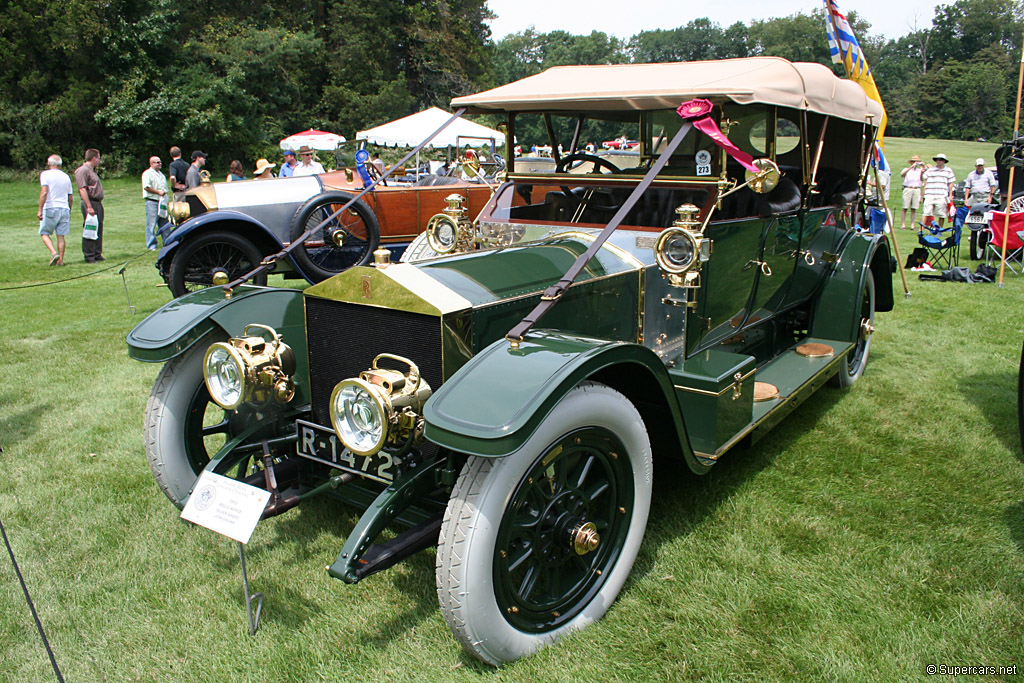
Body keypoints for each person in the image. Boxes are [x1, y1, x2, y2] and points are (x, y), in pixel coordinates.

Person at [38, 154, 73, 266]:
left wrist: (40, 209)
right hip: (64, 208)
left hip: (51, 207)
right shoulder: (66, 176)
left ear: (49, 164)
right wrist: (69, 209)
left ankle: (54, 253)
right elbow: (70, 196)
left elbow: (44, 192)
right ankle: (61, 261)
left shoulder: (45, 174)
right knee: (61, 236)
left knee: (44, 233)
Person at [75, 148, 105, 262]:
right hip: (90, 201)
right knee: (90, 228)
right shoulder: (82, 171)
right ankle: (89, 255)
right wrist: (89, 206)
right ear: (94, 158)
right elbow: (82, 189)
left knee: (98, 227)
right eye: (98, 158)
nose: (99, 160)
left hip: (97, 202)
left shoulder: (93, 171)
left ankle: (97, 253)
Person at [142, 156, 169, 250]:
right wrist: (158, 192)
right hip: (152, 201)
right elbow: (146, 187)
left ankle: (167, 243)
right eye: (157, 162)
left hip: (162, 202)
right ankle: (152, 245)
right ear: (152, 163)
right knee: (151, 224)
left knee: (165, 223)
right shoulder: (147, 174)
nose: (159, 163)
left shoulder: (161, 175)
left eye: (160, 162)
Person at [921, 153, 956, 228]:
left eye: (940, 160)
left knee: (941, 214)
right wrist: (923, 194)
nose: (938, 161)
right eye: (937, 160)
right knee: (926, 213)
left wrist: (950, 195)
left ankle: (939, 230)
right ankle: (921, 230)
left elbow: (951, 183)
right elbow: (924, 180)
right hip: (930, 194)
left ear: (944, 161)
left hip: (942, 195)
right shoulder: (930, 170)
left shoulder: (948, 171)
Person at [900, 155, 924, 229]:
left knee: (914, 208)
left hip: (916, 189)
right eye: (913, 161)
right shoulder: (907, 169)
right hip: (908, 188)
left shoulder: (919, 170)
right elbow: (902, 174)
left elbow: (922, 179)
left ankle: (912, 224)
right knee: (905, 207)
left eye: (916, 162)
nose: (915, 163)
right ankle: (903, 224)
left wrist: (923, 168)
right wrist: (911, 167)